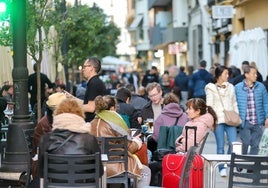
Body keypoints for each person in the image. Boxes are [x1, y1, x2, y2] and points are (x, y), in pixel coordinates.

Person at [89, 95, 151, 187]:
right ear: (113, 108)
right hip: (116, 168)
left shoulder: (92, 123)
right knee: (146, 171)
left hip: (95, 167)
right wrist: (137, 142)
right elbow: (129, 148)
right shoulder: (116, 122)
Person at [38, 98, 103, 183]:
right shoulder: (90, 139)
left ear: (57, 115)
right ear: (80, 115)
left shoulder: (46, 139)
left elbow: (41, 173)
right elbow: (99, 172)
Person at [205, 65, 239, 177]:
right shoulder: (211, 88)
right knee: (220, 146)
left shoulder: (231, 87)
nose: (228, 76)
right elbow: (209, 106)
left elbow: (234, 102)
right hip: (218, 120)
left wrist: (237, 115)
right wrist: (211, 120)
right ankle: (221, 168)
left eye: (228, 74)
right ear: (219, 75)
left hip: (230, 119)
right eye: (226, 74)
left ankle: (228, 162)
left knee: (233, 143)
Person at [31, 92, 67, 179]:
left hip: (58, 168)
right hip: (49, 169)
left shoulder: (65, 122)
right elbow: (42, 152)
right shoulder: (44, 124)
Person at [235, 65, 268, 155]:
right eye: (254, 74)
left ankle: (252, 166)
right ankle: (242, 162)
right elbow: (234, 103)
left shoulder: (261, 87)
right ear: (246, 74)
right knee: (245, 142)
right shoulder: (238, 88)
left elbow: (266, 103)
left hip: (258, 121)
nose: (256, 75)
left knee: (255, 144)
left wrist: (267, 117)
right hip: (244, 121)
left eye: (256, 74)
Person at [79, 57, 107, 122]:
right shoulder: (94, 81)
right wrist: (72, 98)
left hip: (92, 124)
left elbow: (91, 108)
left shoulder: (94, 83)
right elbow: (87, 103)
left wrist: (70, 107)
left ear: (91, 68)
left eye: (84, 67)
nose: (83, 69)